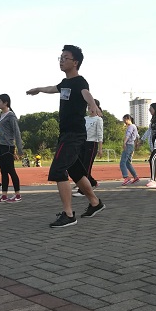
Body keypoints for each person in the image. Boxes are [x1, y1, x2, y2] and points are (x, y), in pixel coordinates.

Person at [26, 45, 105, 227]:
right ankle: (95, 203)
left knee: (58, 170)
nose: (61, 61)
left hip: (73, 134)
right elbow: (53, 88)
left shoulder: (79, 81)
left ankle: (69, 215)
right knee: (76, 171)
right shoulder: (65, 83)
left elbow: (86, 93)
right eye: (60, 58)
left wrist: (93, 105)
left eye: (65, 58)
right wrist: (38, 89)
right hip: (67, 134)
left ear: (75, 62)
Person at [0, 94, 24, 203]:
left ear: (5, 103)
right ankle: (4, 195)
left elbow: (17, 132)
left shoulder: (11, 116)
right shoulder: (0, 115)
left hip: (8, 146)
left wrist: (19, 148)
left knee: (11, 170)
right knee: (3, 171)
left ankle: (17, 194)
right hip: (0, 146)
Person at [73, 99, 104, 197]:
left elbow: (100, 134)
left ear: (96, 107)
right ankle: (93, 183)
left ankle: (83, 190)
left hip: (92, 144)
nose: (89, 108)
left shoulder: (98, 119)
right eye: (88, 106)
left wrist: (100, 149)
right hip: (83, 144)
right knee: (80, 167)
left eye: (91, 106)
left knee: (86, 168)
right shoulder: (85, 118)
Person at [120, 114, 140, 185]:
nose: (124, 122)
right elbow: (137, 136)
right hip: (131, 145)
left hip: (128, 145)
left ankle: (126, 177)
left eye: (124, 120)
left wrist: (124, 143)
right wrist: (136, 144)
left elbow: (128, 135)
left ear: (128, 119)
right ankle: (135, 177)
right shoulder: (134, 126)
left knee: (122, 162)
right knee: (128, 163)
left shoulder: (131, 126)